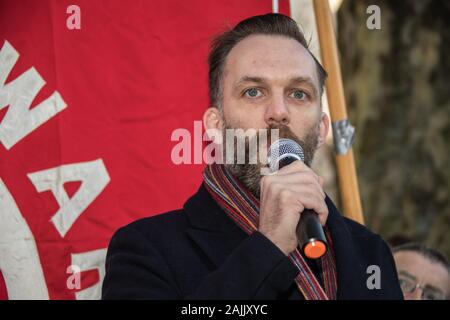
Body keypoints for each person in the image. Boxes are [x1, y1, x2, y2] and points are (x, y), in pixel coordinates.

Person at [102, 13, 403, 300]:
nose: (279, 113)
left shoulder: (370, 252)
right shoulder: (146, 249)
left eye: (298, 93)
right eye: (253, 92)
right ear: (215, 126)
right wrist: (268, 246)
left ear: (321, 128)